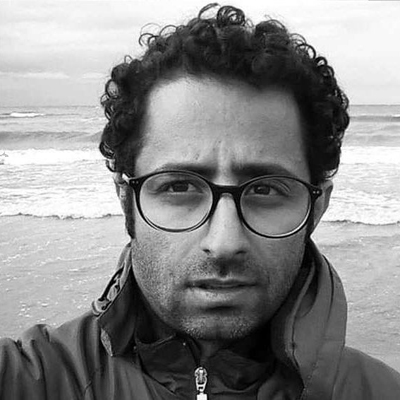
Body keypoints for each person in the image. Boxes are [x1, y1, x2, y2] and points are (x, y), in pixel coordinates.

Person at [1, 4, 399, 399]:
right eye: (178, 187)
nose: (224, 242)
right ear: (126, 200)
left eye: (265, 189)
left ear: (317, 207)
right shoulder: (31, 380)